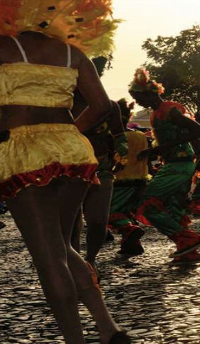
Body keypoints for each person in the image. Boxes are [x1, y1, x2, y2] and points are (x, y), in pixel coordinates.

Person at [0, 0, 129, 341]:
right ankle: (108, 327)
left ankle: (75, 339)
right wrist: (69, 133)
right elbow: (103, 106)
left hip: (25, 149)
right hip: (72, 149)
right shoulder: (74, 54)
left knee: (48, 254)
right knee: (62, 246)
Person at [128, 68, 200, 264]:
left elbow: (198, 129)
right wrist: (151, 151)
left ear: (148, 94)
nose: (137, 102)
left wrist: (167, 146)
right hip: (174, 163)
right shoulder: (156, 114)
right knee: (173, 208)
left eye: (138, 97)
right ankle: (188, 252)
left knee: (147, 204)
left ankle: (188, 240)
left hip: (181, 164)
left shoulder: (170, 109)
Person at [71, 57, 128, 273]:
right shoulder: (62, 106)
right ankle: (75, 266)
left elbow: (120, 135)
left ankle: (90, 260)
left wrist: (122, 156)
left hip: (101, 169)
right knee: (72, 223)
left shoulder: (110, 107)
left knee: (97, 222)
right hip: (69, 170)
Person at [108, 99, 148, 256]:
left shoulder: (115, 138)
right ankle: (131, 244)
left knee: (109, 213)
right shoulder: (140, 136)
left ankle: (130, 229)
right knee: (125, 212)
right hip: (140, 179)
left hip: (120, 181)